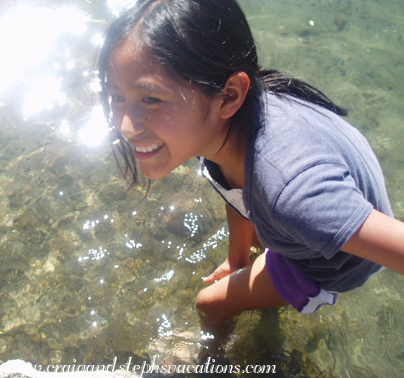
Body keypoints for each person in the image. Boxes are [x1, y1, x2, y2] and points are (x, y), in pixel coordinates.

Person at [97, 0, 404, 325]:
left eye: (151, 99)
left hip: (329, 264)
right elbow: (237, 192)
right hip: (317, 199)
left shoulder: (292, 195)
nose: (126, 126)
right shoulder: (215, 128)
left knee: (209, 305)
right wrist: (237, 260)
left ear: (229, 96)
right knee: (266, 227)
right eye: (117, 97)